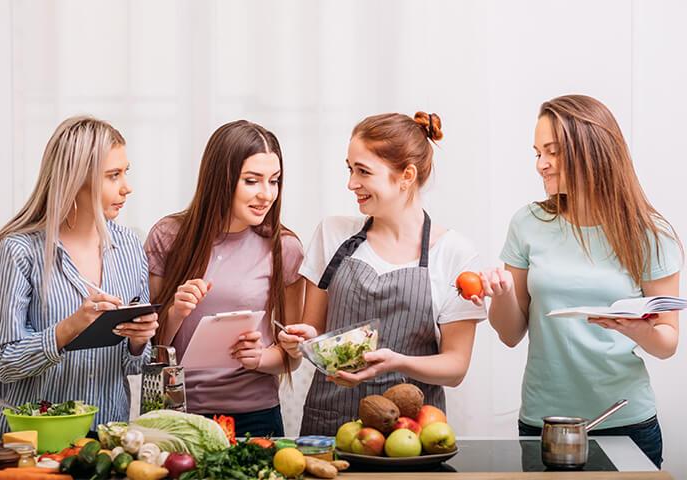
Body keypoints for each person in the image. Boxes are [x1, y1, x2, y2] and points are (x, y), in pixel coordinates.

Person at [474, 95, 682, 468]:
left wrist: (633, 327)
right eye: (537, 152)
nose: (541, 164)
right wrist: (502, 296)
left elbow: (667, 343)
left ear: (591, 151)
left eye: (551, 152)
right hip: (545, 424)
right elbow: (509, 334)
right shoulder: (527, 223)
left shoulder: (650, 234)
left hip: (625, 422)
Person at [279, 111, 486, 435]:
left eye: (363, 171)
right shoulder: (332, 234)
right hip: (329, 426)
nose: (351, 183)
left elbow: (455, 367)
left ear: (406, 176)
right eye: (350, 169)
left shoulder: (455, 254)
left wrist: (397, 361)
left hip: (410, 434)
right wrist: (301, 341)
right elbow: (314, 332)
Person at [0, 116, 158, 434]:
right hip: (30, 445)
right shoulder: (18, 252)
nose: (127, 187)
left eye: (125, 172)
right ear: (75, 180)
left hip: (104, 441)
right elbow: (0, 361)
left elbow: (134, 368)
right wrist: (69, 329)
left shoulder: (129, 247)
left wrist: (140, 343)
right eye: (113, 175)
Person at [145, 120, 304, 437]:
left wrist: (259, 358)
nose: (266, 194)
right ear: (221, 179)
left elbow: (291, 355)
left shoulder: (284, 248)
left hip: (256, 417)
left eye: (274, 181)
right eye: (252, 181)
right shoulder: (168, 236)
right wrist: (176, 311)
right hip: (179, 414)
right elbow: (150, 346)